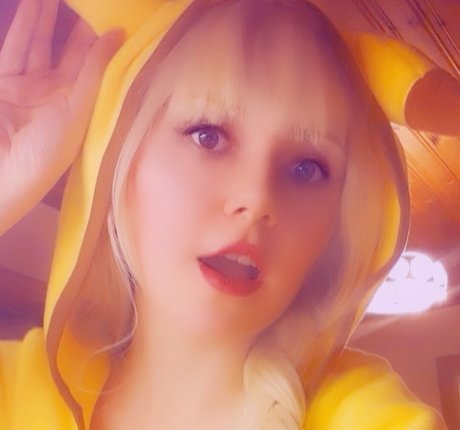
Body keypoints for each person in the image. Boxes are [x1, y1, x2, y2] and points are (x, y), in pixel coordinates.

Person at [0, 0, 449, 429]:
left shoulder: (370, 417)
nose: (257, 199)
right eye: (208, 136)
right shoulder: (14, 389)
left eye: (306, 168)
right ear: (118, 154)